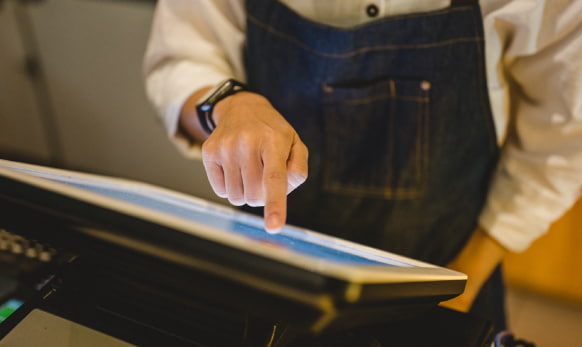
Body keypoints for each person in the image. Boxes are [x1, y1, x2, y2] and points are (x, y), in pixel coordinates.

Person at [143, 0, 582, 337]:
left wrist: (460, 287)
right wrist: (230, 104)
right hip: (267, 273)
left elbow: (563, 142)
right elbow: (181, 56)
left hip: (448, 273)